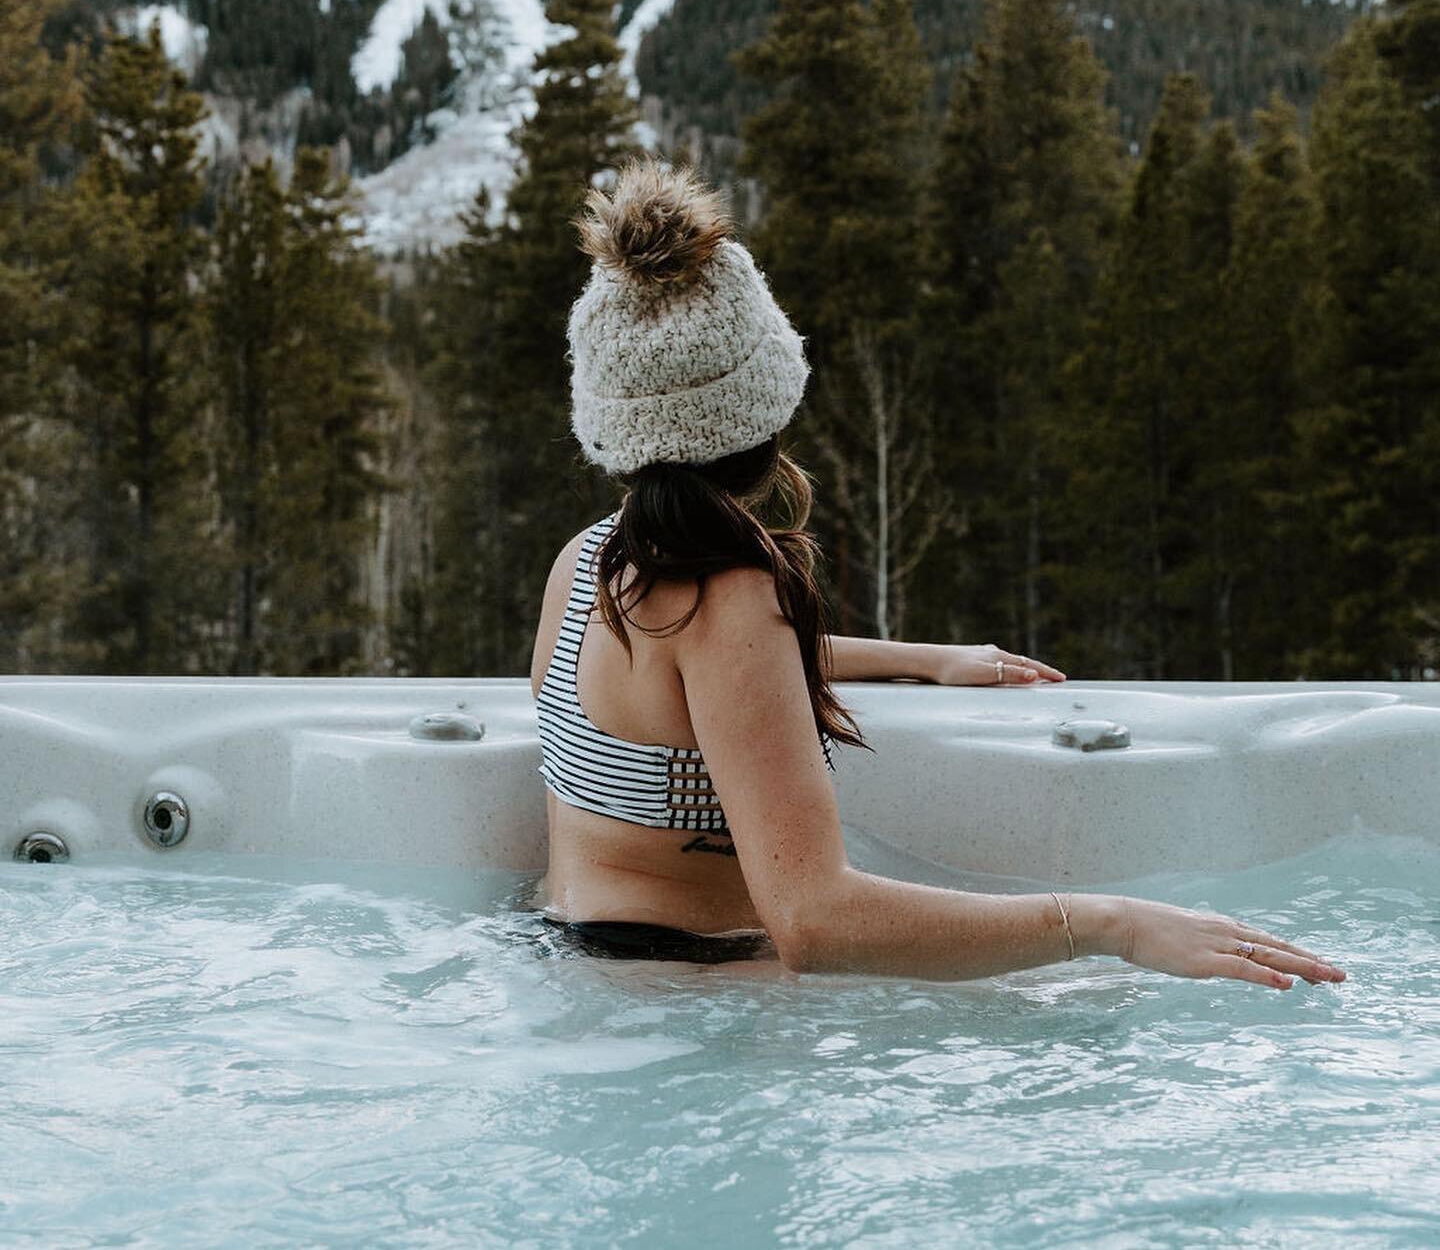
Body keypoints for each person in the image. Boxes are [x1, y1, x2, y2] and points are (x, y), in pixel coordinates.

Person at [530, 155, 1346, 989]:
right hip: (690, 1006)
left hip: (575, 971)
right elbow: (815, 921)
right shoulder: (733, 601)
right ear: (767, 404)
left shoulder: (588, 562)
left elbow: (698, 689)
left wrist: (922, 658)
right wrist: (1111, 923)